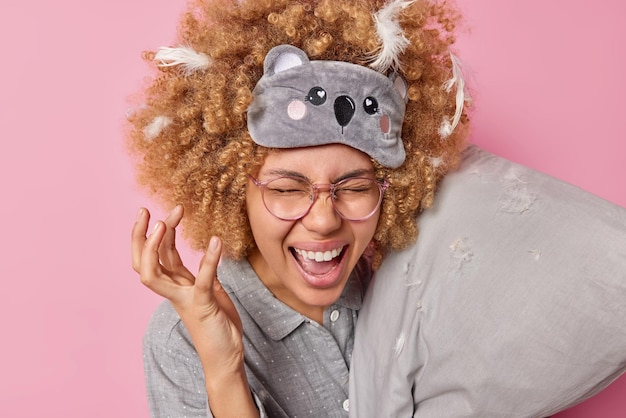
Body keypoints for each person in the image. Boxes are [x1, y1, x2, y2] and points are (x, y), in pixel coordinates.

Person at [127, 0, 469, 416]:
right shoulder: (181, 338)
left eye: (356, 186)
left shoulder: (404, 280)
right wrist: (224, 369)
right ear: (235, 192)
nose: (324, 221)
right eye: (288, 189)